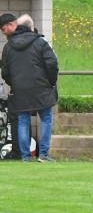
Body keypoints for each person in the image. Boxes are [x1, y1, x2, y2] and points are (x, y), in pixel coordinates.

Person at [1, 13, 58, 162]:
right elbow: (52, 64)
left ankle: (25, 157)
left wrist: (15, 84)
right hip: (42, 88)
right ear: (30, 28)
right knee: (46, 119)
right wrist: (51, 82)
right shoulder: (40, 42)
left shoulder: (8, 47)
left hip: (20, 90)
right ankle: (44, 154)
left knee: (23, 121)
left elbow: (5, 72)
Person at [0, 13, 21, 159]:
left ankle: (18, 152)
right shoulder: (37, 40)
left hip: (16, 89)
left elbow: (5, 72)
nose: (3, 33)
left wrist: (12, 83)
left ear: (11, 25)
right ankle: (32, 153)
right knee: (26, 119)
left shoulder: (9, 46)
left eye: (3, 29)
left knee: (16, 119)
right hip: (36, 89)